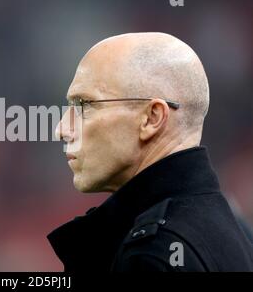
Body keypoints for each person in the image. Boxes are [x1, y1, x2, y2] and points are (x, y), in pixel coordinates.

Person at [48, 32, 253, 272]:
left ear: (152, 118)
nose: (62, 129)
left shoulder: (154, 256)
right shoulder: (233, 230)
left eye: (85, 105)